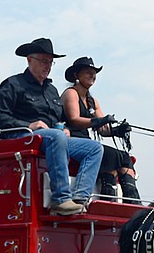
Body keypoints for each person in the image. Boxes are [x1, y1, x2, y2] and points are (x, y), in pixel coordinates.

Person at [0, 38, 104, 216]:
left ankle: (80, 198)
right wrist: (29, 125)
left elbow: (59, 119)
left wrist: (65, 128)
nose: (47, 66)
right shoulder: (13, 84)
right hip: (21, 137)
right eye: (43, 61)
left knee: (94, 148)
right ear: (29, 59)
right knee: (56, 137)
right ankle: (61, 199)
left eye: (50, 62)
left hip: (50, 138)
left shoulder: (51, 90)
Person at [60, 57, 140, 202]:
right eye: (88, 72)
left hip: (87, 142)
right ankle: (107, 196)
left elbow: (103, 129)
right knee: (109, 154)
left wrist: (117, 130)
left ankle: (132, 199)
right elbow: (74, 120)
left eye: (94, 73)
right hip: (72, 140)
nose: (92, 75)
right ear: (76, 75)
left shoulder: (92, 100)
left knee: (124, 156)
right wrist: (98, 121)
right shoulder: (71, 93)